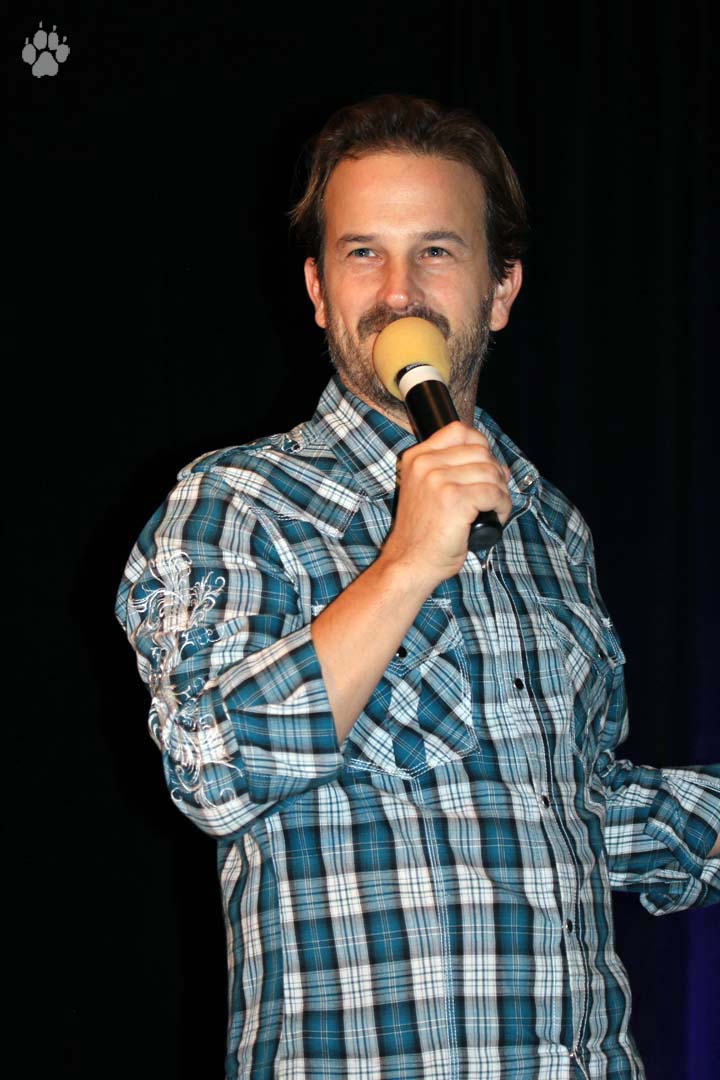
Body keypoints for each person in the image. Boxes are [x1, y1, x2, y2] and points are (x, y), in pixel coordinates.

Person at [115, 94, 719, 1080]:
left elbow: (570, 807)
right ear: (318, 291)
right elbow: (209, 768)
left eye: (436, 251)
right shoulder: (238, 502)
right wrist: (407, 562)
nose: (398, 292)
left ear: (502, 288)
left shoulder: (548, 522)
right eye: (363, 253)